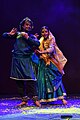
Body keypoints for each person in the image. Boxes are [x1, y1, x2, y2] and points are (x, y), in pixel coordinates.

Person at [2, 17, 41, 107]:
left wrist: (27, 38)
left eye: (29, 25)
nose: (28, 26)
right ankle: (24, 99)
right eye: (26, 24)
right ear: (23, 25)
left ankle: (35, 99)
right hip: (17, 60)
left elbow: (37, 44)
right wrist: (9, 34)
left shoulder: (31, 36)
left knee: (31, 80)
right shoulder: (17, 35)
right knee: (18, 80)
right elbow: (4, 35)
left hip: (27, 60)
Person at [36, 26, 67, 105]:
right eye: (42, 32)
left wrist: (42, 52)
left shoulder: (51, 39)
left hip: (51, 62)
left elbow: (51, 49)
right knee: (42, 80)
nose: (44, 33)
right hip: (42, 63)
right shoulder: (40, 40)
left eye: (46, 31)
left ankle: (62, 98)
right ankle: (44, 98)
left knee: (54, 80)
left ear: (48, 32)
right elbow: (37, 49)